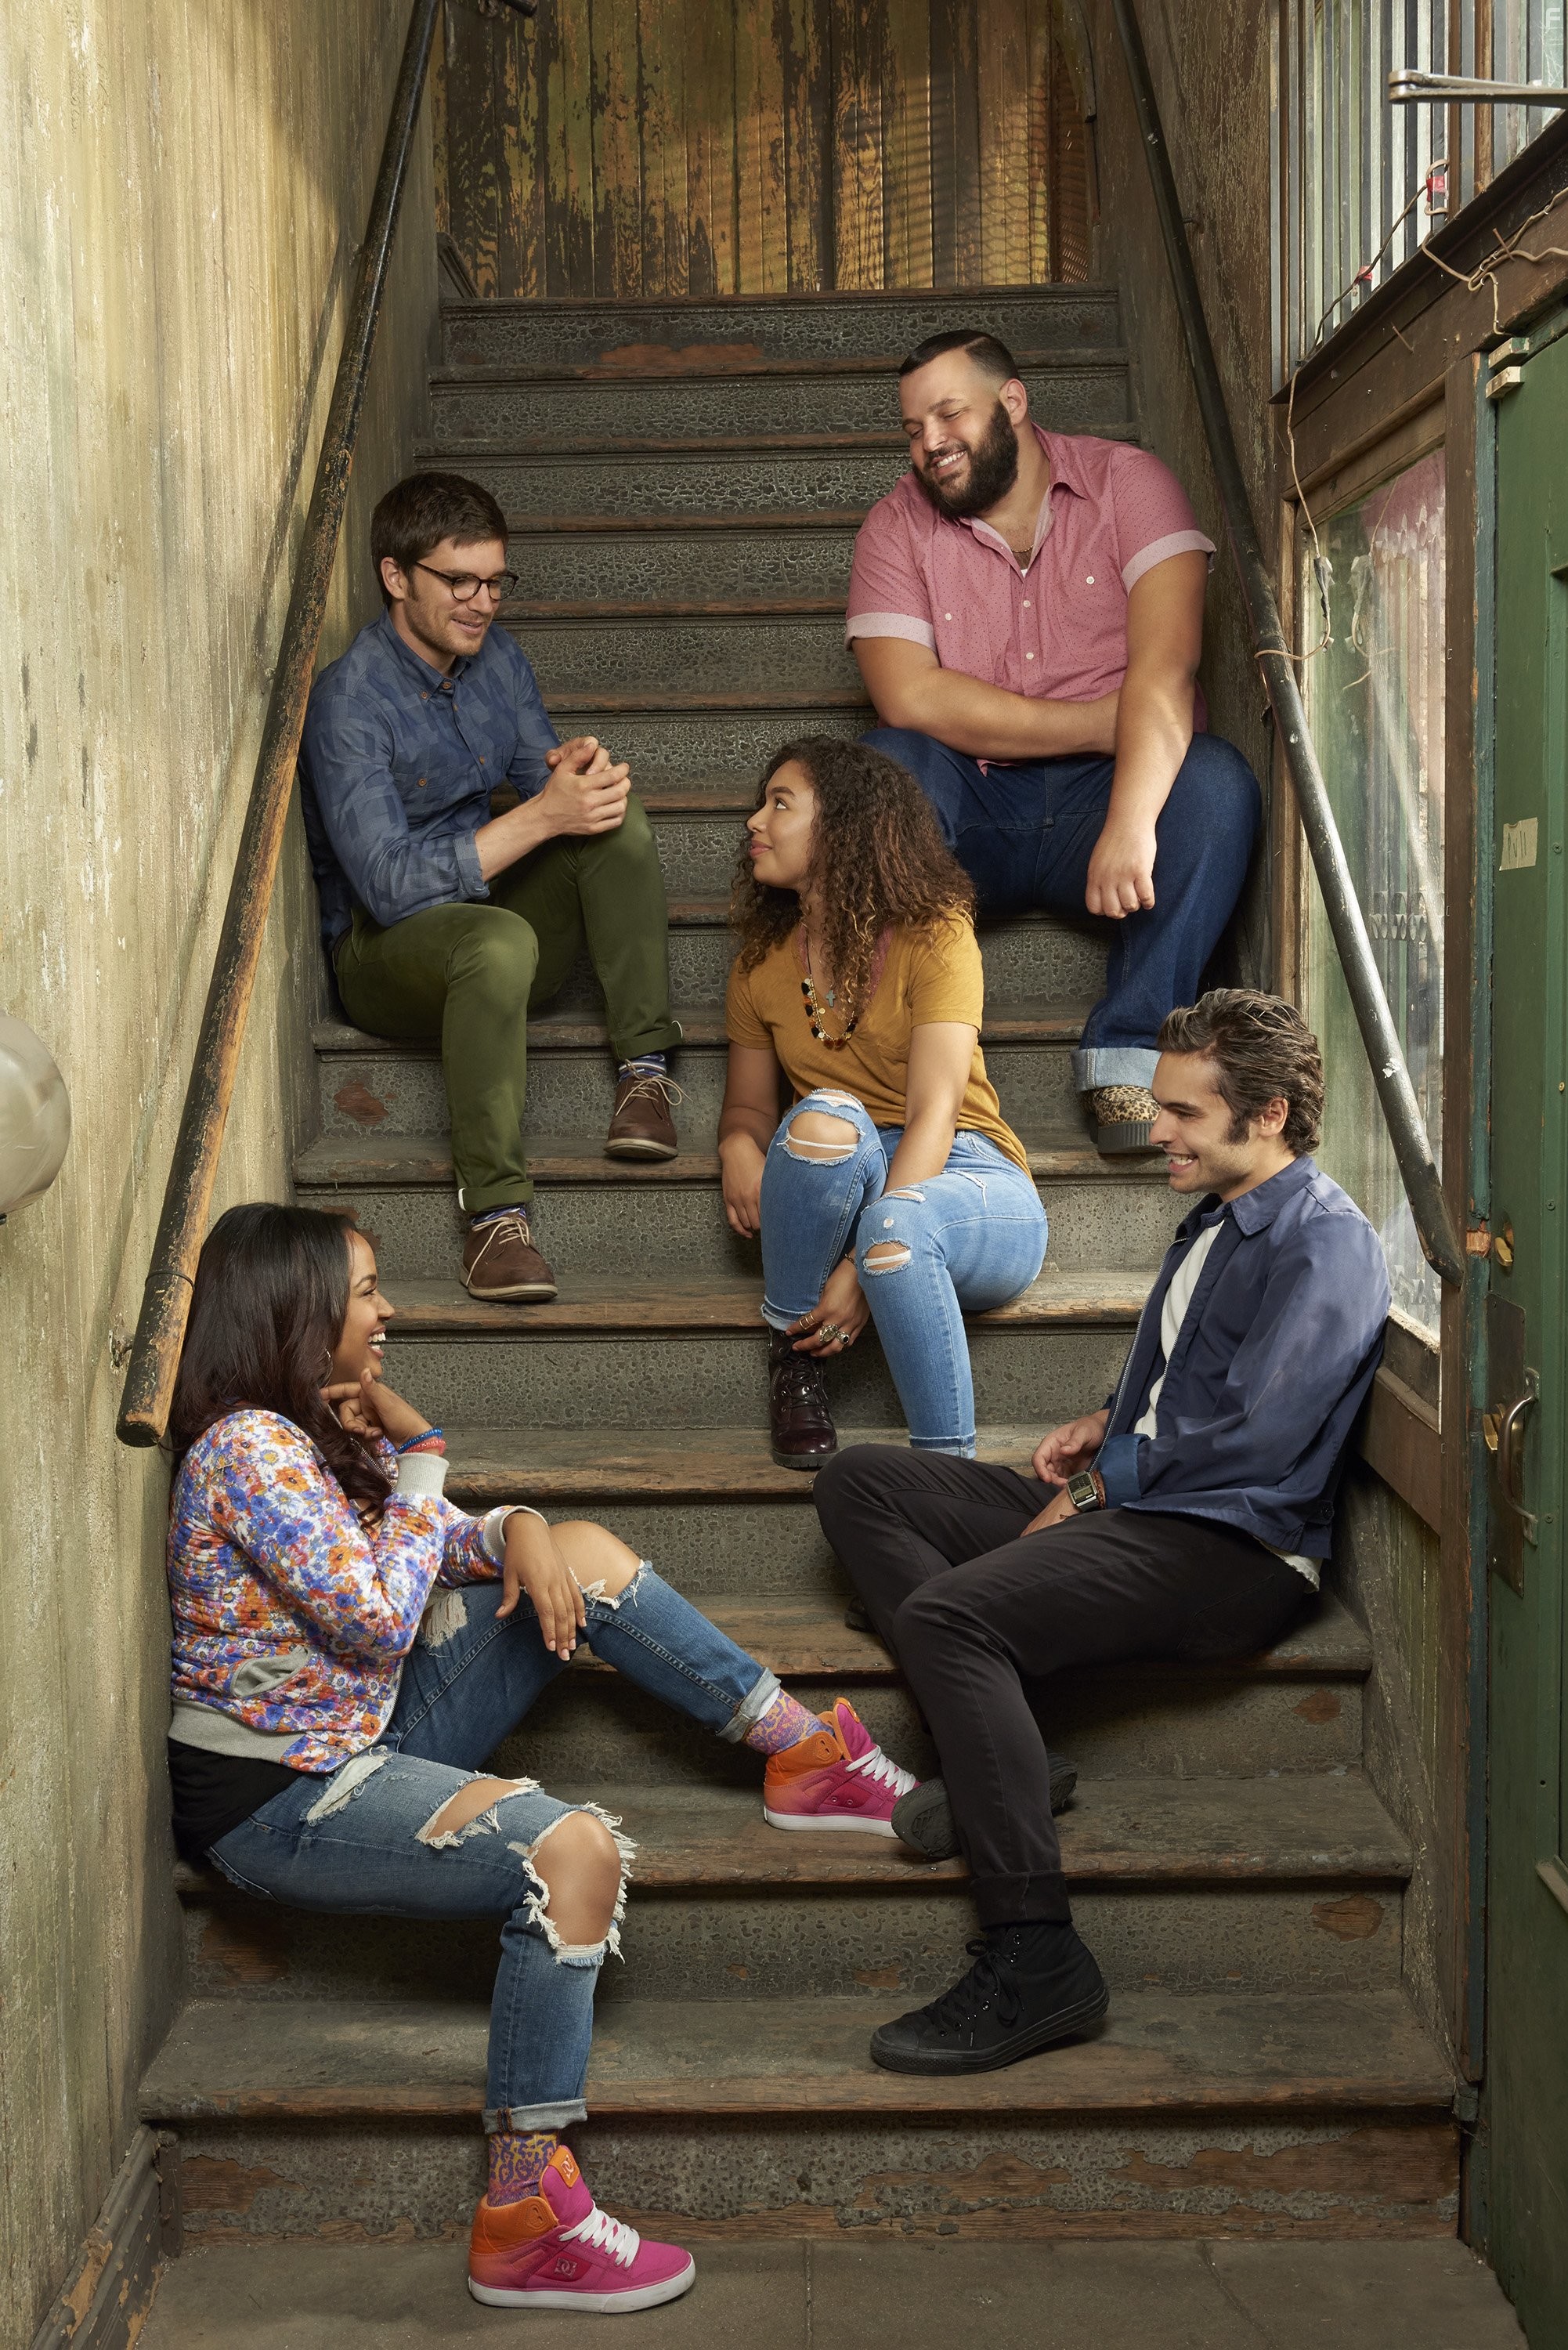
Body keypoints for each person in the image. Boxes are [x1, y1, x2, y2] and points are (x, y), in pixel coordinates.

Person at [164, 1205, 919, 2312]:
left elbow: (421, 1556)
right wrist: (421, 1456)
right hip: (278, 1798)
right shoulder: (248, 1448)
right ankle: (523, 2213)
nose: (387, 1313)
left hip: (357, 1728)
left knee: (581, 1553)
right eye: (367, 1291)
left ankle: (801, 1753)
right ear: (297, 1306)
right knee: (568, 1855)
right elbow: (379, 1615)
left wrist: (515, 1520)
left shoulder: (304, 1430)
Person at [814, 991, 1389, 2074]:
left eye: (1181, 1111)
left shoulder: (1324, 1243)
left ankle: (1038, 1956)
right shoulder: (1218, 1214)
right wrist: (1104, 1426)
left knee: (946, 1619)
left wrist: (1097, 1487)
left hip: (1231, 1550)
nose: (1154, 1127)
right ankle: (1013, 1759)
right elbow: (1200, 1389)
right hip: (1158, 1499)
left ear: (1266, 1114)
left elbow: (1261, 1441)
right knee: (861, 1487)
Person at [847, 327, 1262, 1156]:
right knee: (886, 763)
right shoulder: (894, 525)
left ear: (1012, 401)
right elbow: (909, 694)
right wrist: (1106, 719)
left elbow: (1166, 666)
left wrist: (1133, 816)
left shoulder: (1127, 484)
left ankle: (1132, 1051)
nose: (929, 442)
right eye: (911, 427)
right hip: (973, 810)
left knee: (1215, 783)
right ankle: (903, 1064)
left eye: (948, 414)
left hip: (1105, 806)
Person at [298, 470, 684, 1307]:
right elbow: (392, 887)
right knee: (499, 937)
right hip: (386, 955)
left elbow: (540, 774)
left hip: (490, 931)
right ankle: (494, 1219)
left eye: (495, 581)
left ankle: (645, 1072)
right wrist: (544, 818)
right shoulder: (348, 704)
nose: (483, 602)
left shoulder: (497, 661)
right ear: (396, 577)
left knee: (617, 819)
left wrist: (573, 773)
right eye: (459, 581)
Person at [718, 735, 1047, 1469]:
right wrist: (737, 1145)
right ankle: (795, 1351)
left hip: (966, 1174)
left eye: (780, 804)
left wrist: (866, 1263)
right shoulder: (761, 965)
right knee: (820, 1119)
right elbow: (747, 1110)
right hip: (851, 1166)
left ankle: (947, 1476)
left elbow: (935, 1112)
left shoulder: (936, 933)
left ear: (842, 826)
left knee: (895, 1227)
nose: (754, 822)